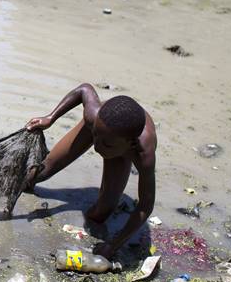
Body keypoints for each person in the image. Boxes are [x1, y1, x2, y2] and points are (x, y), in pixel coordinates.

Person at [24, 84, 157, 259]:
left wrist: (113, 245)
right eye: (95, 138)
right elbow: (84, 89)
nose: (95, 148)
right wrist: (50, 118)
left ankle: (108, 145)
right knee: (38, 174)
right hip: (103, 126)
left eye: (104, 145)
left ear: (131, 144)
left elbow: (145, 206)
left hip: (121, 151)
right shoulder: (95, 116)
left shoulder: (143, 155)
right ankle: (99, 136)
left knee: (100, 214)